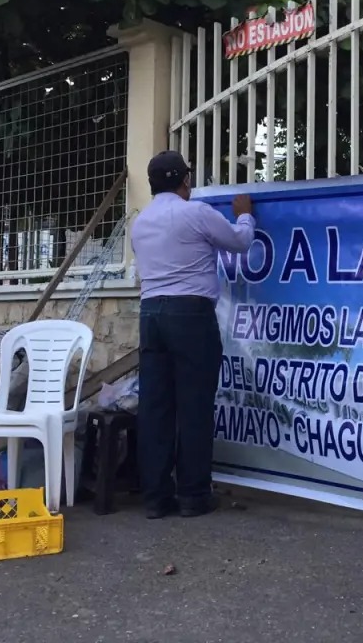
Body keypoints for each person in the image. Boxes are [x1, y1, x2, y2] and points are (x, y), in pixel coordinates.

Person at [130, 150, 255, 519]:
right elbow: (240, 242)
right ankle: (194, 495)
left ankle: (155, 498)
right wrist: (245, 213)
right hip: (190, 315)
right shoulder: (196, 212)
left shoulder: (141, 223)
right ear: (184, 180)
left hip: (151, 315)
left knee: (155, 408)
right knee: (195, 405)